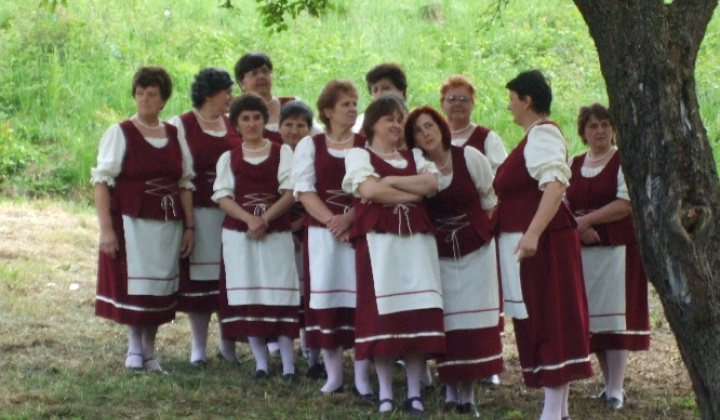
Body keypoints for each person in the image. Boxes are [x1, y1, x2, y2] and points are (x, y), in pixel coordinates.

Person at [494, 70, 593, 420]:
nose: (508, 107)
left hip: (546, 243)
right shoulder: (532, 137)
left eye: (512, 100)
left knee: (551, 319)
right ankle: (559, 411)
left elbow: (554, 184)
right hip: (539, 243)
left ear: (527, 100)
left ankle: (551, 413)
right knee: (547, 317)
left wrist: (533, 233)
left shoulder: (542, 135)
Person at [342, 95, 445, 416]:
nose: (397, 125)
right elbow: (370, 192)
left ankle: (414, 392)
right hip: (380, 246)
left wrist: (391, 180)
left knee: (416, 314)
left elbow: (432, 183)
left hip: (417, 245)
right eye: (390, 119)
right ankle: (385, 391)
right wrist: (410, 196)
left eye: (400, 119)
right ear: (372, 123)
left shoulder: (414, 156)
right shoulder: (359, 155)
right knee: (381, 317)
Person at [92, 66, 195, 373]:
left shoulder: (175, 134)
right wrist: (106, 230)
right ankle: (134, 350)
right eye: (140, 93)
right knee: (134, 286)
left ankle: (150, 353)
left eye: (152, 94)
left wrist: (190, 226)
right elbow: (101, 183)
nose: (145, 99)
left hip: (168, 224)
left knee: (160, 288)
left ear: (164, 100)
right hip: (131, 221)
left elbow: (185, 183)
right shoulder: (120, 133)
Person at [405, 106, 503, 417]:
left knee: (473, 325)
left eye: (430, 125)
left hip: (477, 252)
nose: (426, 133)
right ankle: (449, 389)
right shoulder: (418, 169)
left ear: (441, 126)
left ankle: (469, 394)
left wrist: (483, 235)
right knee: (447, 323)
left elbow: (490, 202)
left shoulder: (470, 157)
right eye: (419, 131)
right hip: (439, 256)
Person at [292, 80, 374, 398]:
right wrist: (331, 221)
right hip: (323, 235)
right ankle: (334, 375)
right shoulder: (310, 146)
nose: (353, 109)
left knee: (362, 301)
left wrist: (349, 219)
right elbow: (304, 189)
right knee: (327, 301)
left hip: (359, 231)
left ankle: (363, 378)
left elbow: (372, 185)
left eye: (355, 103)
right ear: (327, 111)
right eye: (345, 105)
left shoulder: (366, 143)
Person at [565, 103, 650, 410]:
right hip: (584, 251)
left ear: (614, 129)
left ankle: (616, 388)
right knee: (595, 319)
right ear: (583, 132)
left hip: (617, 249)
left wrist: (587, 221)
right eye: (593, 126)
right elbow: (561, 205)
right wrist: (578, 227)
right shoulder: (573, 165)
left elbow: (625, 204)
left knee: (615, 320)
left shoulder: (622, 161)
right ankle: (606, 382)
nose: (599, 130)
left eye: (604, 124)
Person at [213, 93, 299, 382]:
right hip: (240, 235)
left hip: (275, 232)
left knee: (280, 293)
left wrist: (265, 219)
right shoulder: (229, 157)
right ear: (236, 124)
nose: (251, 123)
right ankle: (261, 363)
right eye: (245, 119)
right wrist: (249, 218)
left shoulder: (282, 152)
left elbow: (290, 192)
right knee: (250, 295)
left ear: (265, 120)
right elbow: (223, 196)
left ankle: (288, 365)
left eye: (257, 117)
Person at [168, 67, 239, 366]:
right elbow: (180, 173)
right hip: (198, 212)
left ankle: (228, 345)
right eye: (227, 91)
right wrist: (189, 223)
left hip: (232, 214)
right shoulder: (182, 125)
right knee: (199, 282)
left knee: (230, 280)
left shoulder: (234, 124)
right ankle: (198, 347)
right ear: (210, 93)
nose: (231, 97)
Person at [278, 100, 326, 380]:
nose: (294, 131)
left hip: (308, 231)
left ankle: (313, 352)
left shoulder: (316, 155)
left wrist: (297, 226)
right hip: (279, 233)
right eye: (288, 124)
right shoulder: (273, 153)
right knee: (286, 294)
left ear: (310, 129)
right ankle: (282, 351)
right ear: (279, 127)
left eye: (300, 125)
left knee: (311, 293)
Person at [234, 52, 322, 144]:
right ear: (241, 83)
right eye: (254, 73)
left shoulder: (293, 104)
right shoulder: (238, 116)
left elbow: (318, 138)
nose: (261, 76)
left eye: (265, 71)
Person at [440, 75, 507, 174]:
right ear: (442, 104)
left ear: (472, 103)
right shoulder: (432, 137)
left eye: (464, 99)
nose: (457, 103)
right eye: (451, 99)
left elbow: (501, 175)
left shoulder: (487, 138)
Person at [352, 63, 408, 135]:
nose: (379, 94)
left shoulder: (416, 123)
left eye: (385, 88)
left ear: (401, 90)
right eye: (375, 90)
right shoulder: (361, 122)